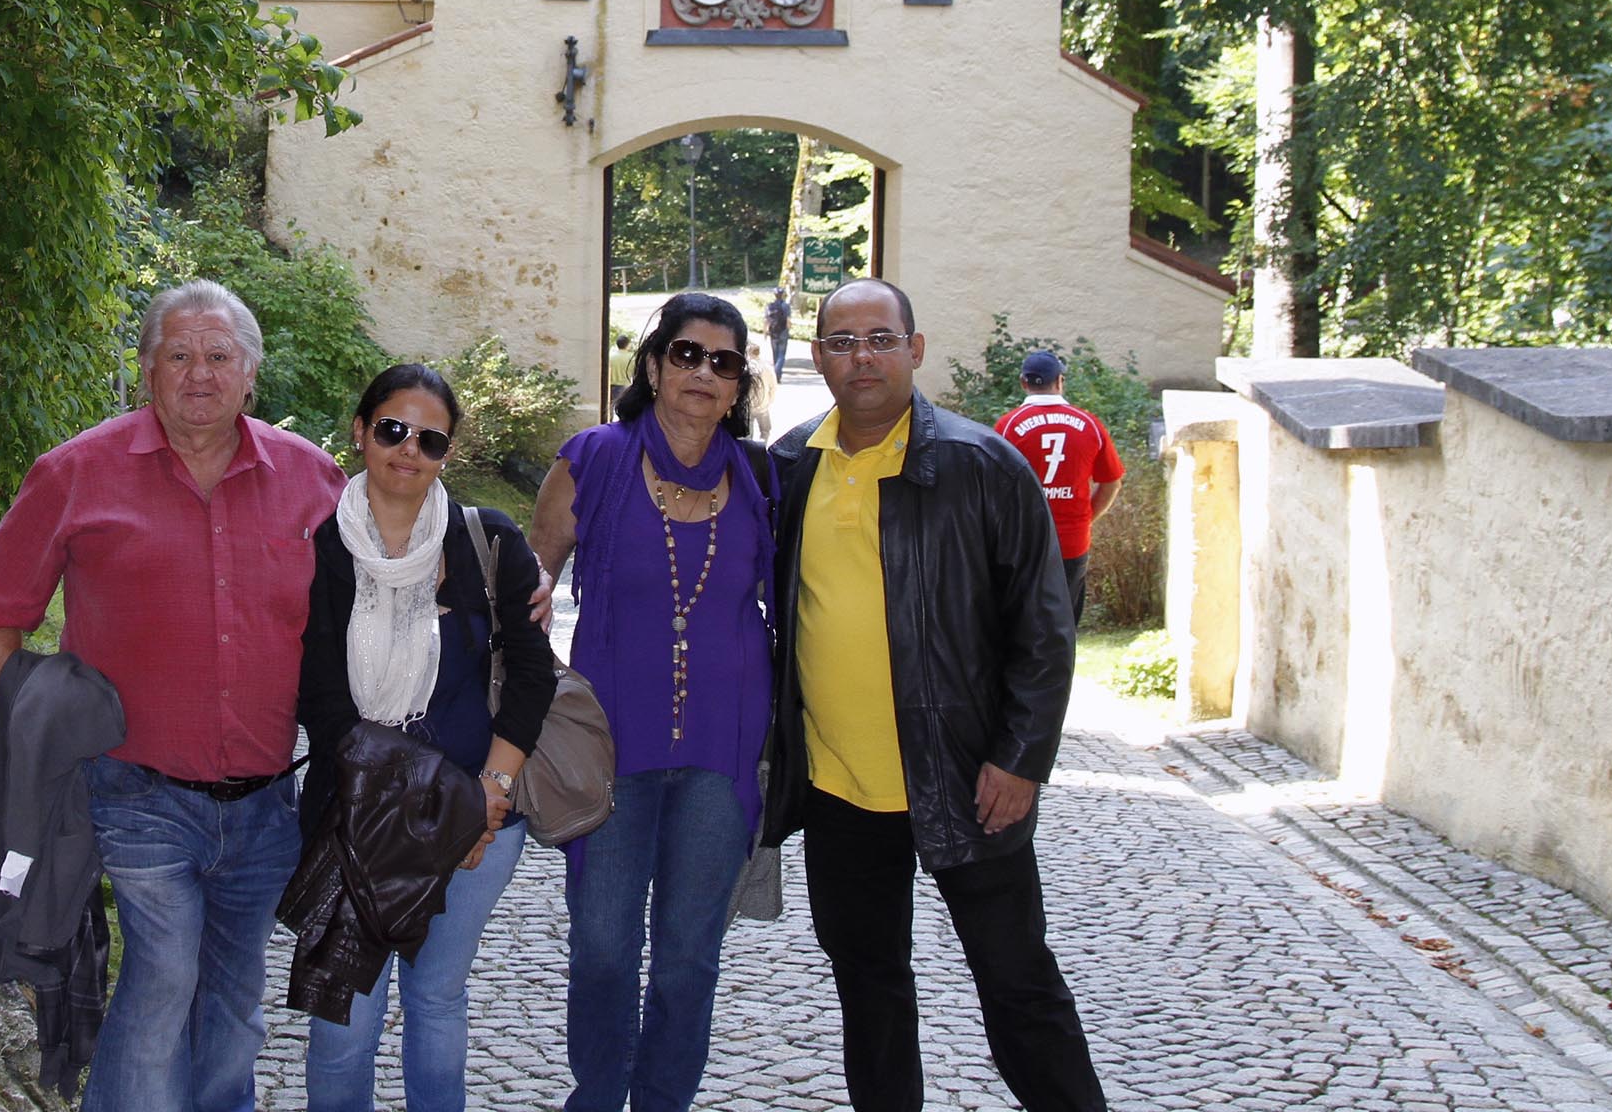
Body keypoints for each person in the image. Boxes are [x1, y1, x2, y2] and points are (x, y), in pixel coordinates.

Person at [0, 280, 346, 1112]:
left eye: (219, 355)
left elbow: (387, 581)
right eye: (178, 355)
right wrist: (44, 722)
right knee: (164, 975)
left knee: (233, 999)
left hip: (266, 803)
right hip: (135, 792)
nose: (199, 373)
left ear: (250, 374)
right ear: (147, 370)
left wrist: (504, 581)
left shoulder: (314, 481)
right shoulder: (76, 472)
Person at [764, 279, 1105, 1112]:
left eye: (881, 339)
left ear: (914, 350)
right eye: (842, 341)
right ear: (819, 357)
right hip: (839, 787)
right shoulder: (790, 465)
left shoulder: (983, 465)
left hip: (967, 776)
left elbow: (1044, 629)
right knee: (869, 988)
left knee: (1018, 982)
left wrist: (1021, 759)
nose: (862, 357)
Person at [529, 292, 775, 1112]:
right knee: (603, 947)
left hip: (721, 753)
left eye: (723, 361)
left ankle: (664, 1100)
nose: (703, 372)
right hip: (609, 749)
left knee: (687, 959)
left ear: (738, 385)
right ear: (654, 363)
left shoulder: (761, 479)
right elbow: (529, 587)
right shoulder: (592, 460)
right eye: (686, 354)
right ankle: (598, 1096)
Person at [297, 363, 556, 1112]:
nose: (409, 449)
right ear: (360, 432)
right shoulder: (321, 548)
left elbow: (531, 675)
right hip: (356, 816)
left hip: (482, 811)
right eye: (392, 430)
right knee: (344, 1019)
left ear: (448, 453)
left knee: (437, 999)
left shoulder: (487, 540)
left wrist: (489, 796)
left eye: (430, 439)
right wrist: (430, 806)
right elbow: (320, 700)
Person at [991, 350, 1126, 620]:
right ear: (1060, 381)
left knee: (1022, 624)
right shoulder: (1089, 424)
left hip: (1023, 544)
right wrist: (1085, 517)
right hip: (1072, 542)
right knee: (1064, 624)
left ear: (1023, 382)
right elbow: (1111, 482)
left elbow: (992, 489)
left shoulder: (1008, 426)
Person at [745, 337, 776, 442]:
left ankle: (748, 449)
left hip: (748, 405)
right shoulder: (767, 368)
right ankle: (762, 446)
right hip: (763, 404)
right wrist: (770, 400)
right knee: (765, 430)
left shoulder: (747, 367)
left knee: (748, 433)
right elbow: (773, 386)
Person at [765, 285, 793, 376]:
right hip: (783, 332)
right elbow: (788, 321)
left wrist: (765, 332)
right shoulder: (786, 306)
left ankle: (777, 374)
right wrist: (789, 330)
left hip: (773, 332)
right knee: (781, 354)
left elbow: (766, 320)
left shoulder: (770, 306)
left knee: (775, 353)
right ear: (782, 295)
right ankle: (777, 371)